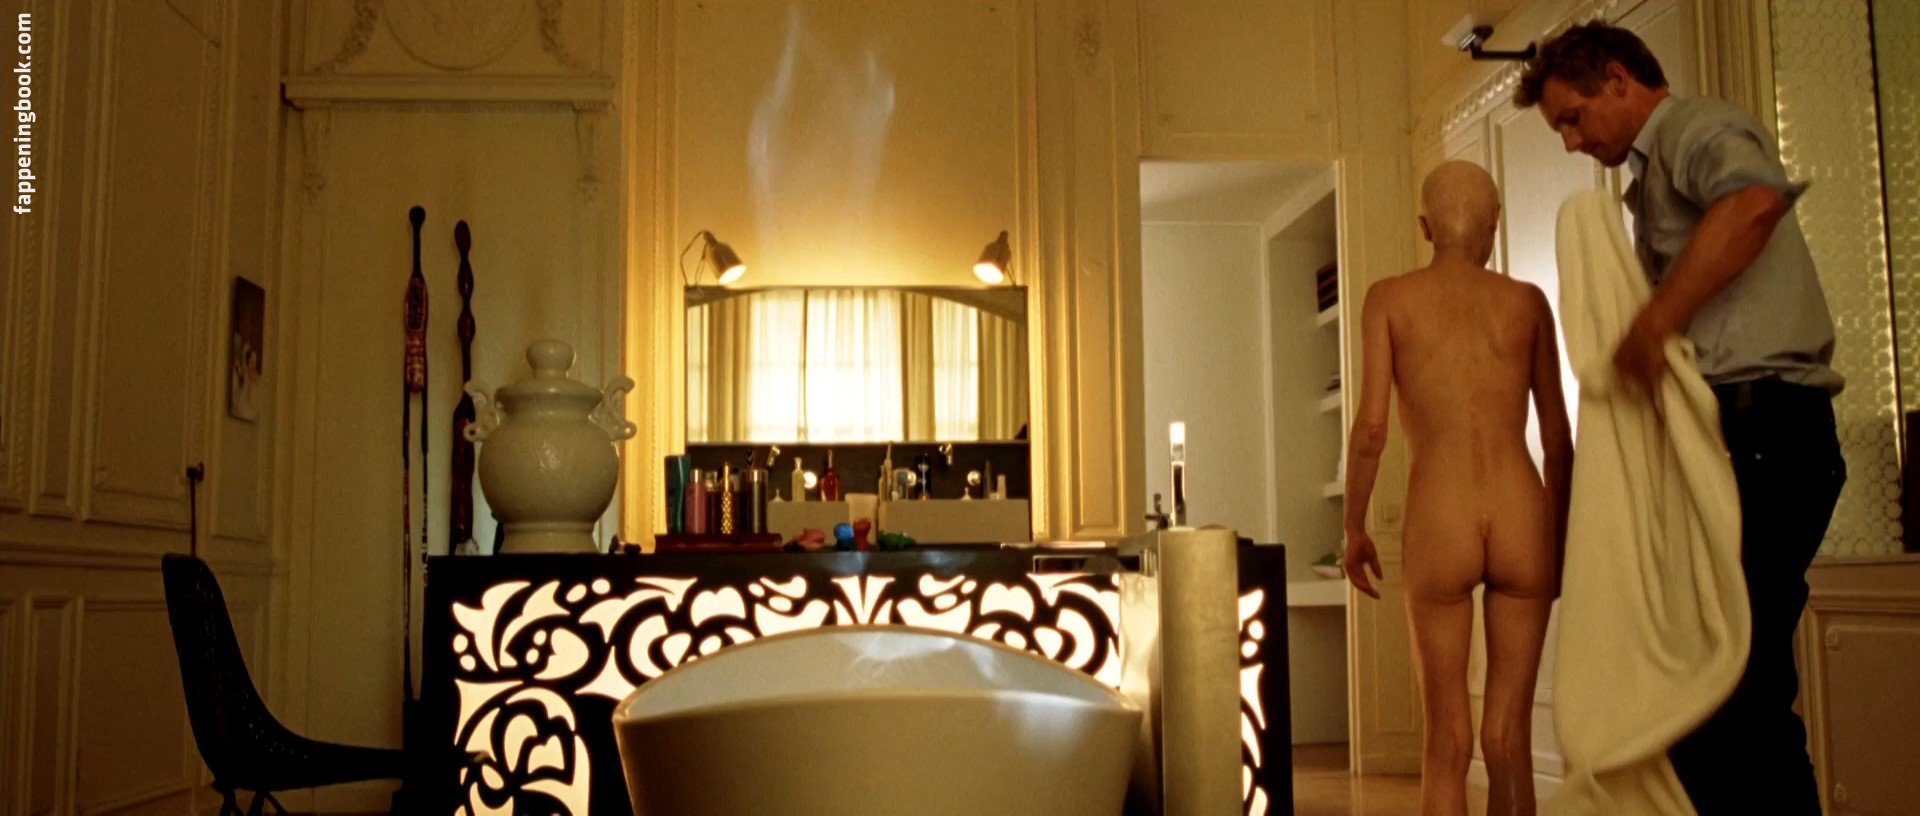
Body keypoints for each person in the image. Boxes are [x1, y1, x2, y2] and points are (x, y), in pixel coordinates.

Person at [1514, 22, 1845, 815]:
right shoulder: (1652, 172)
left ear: (1619, 79)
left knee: (1731, 682)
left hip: (1766, 430)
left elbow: (1754, 202)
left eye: (1572, 118)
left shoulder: (1695, 127)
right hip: (1748, 436)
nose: (1571, 142)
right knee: (1720, 681)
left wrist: (1655, 320)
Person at [1343, 160, 1574, 816]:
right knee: (1509, 738)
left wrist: (1354, 526)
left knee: (1446, 740)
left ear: (1424, 227)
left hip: (1440, 516)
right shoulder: (1528, 302)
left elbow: (1370, 431)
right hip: (1521, 511)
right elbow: (1557, 439)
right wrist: (1559, 542)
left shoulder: (1390, 299)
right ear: (1495, 227)